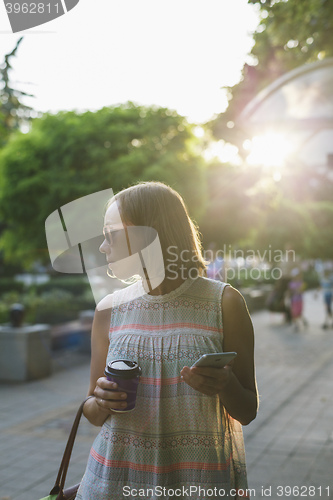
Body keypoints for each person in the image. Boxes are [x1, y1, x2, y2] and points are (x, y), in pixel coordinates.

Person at [76, 181, 258, 500]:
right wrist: (101, 400)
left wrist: (225, 384)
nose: (103, 247)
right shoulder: (108, 310)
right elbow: (92, 413)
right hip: (115, 482)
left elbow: (247, 410)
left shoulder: (225, 303)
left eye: (111, 234)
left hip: (199, 483)